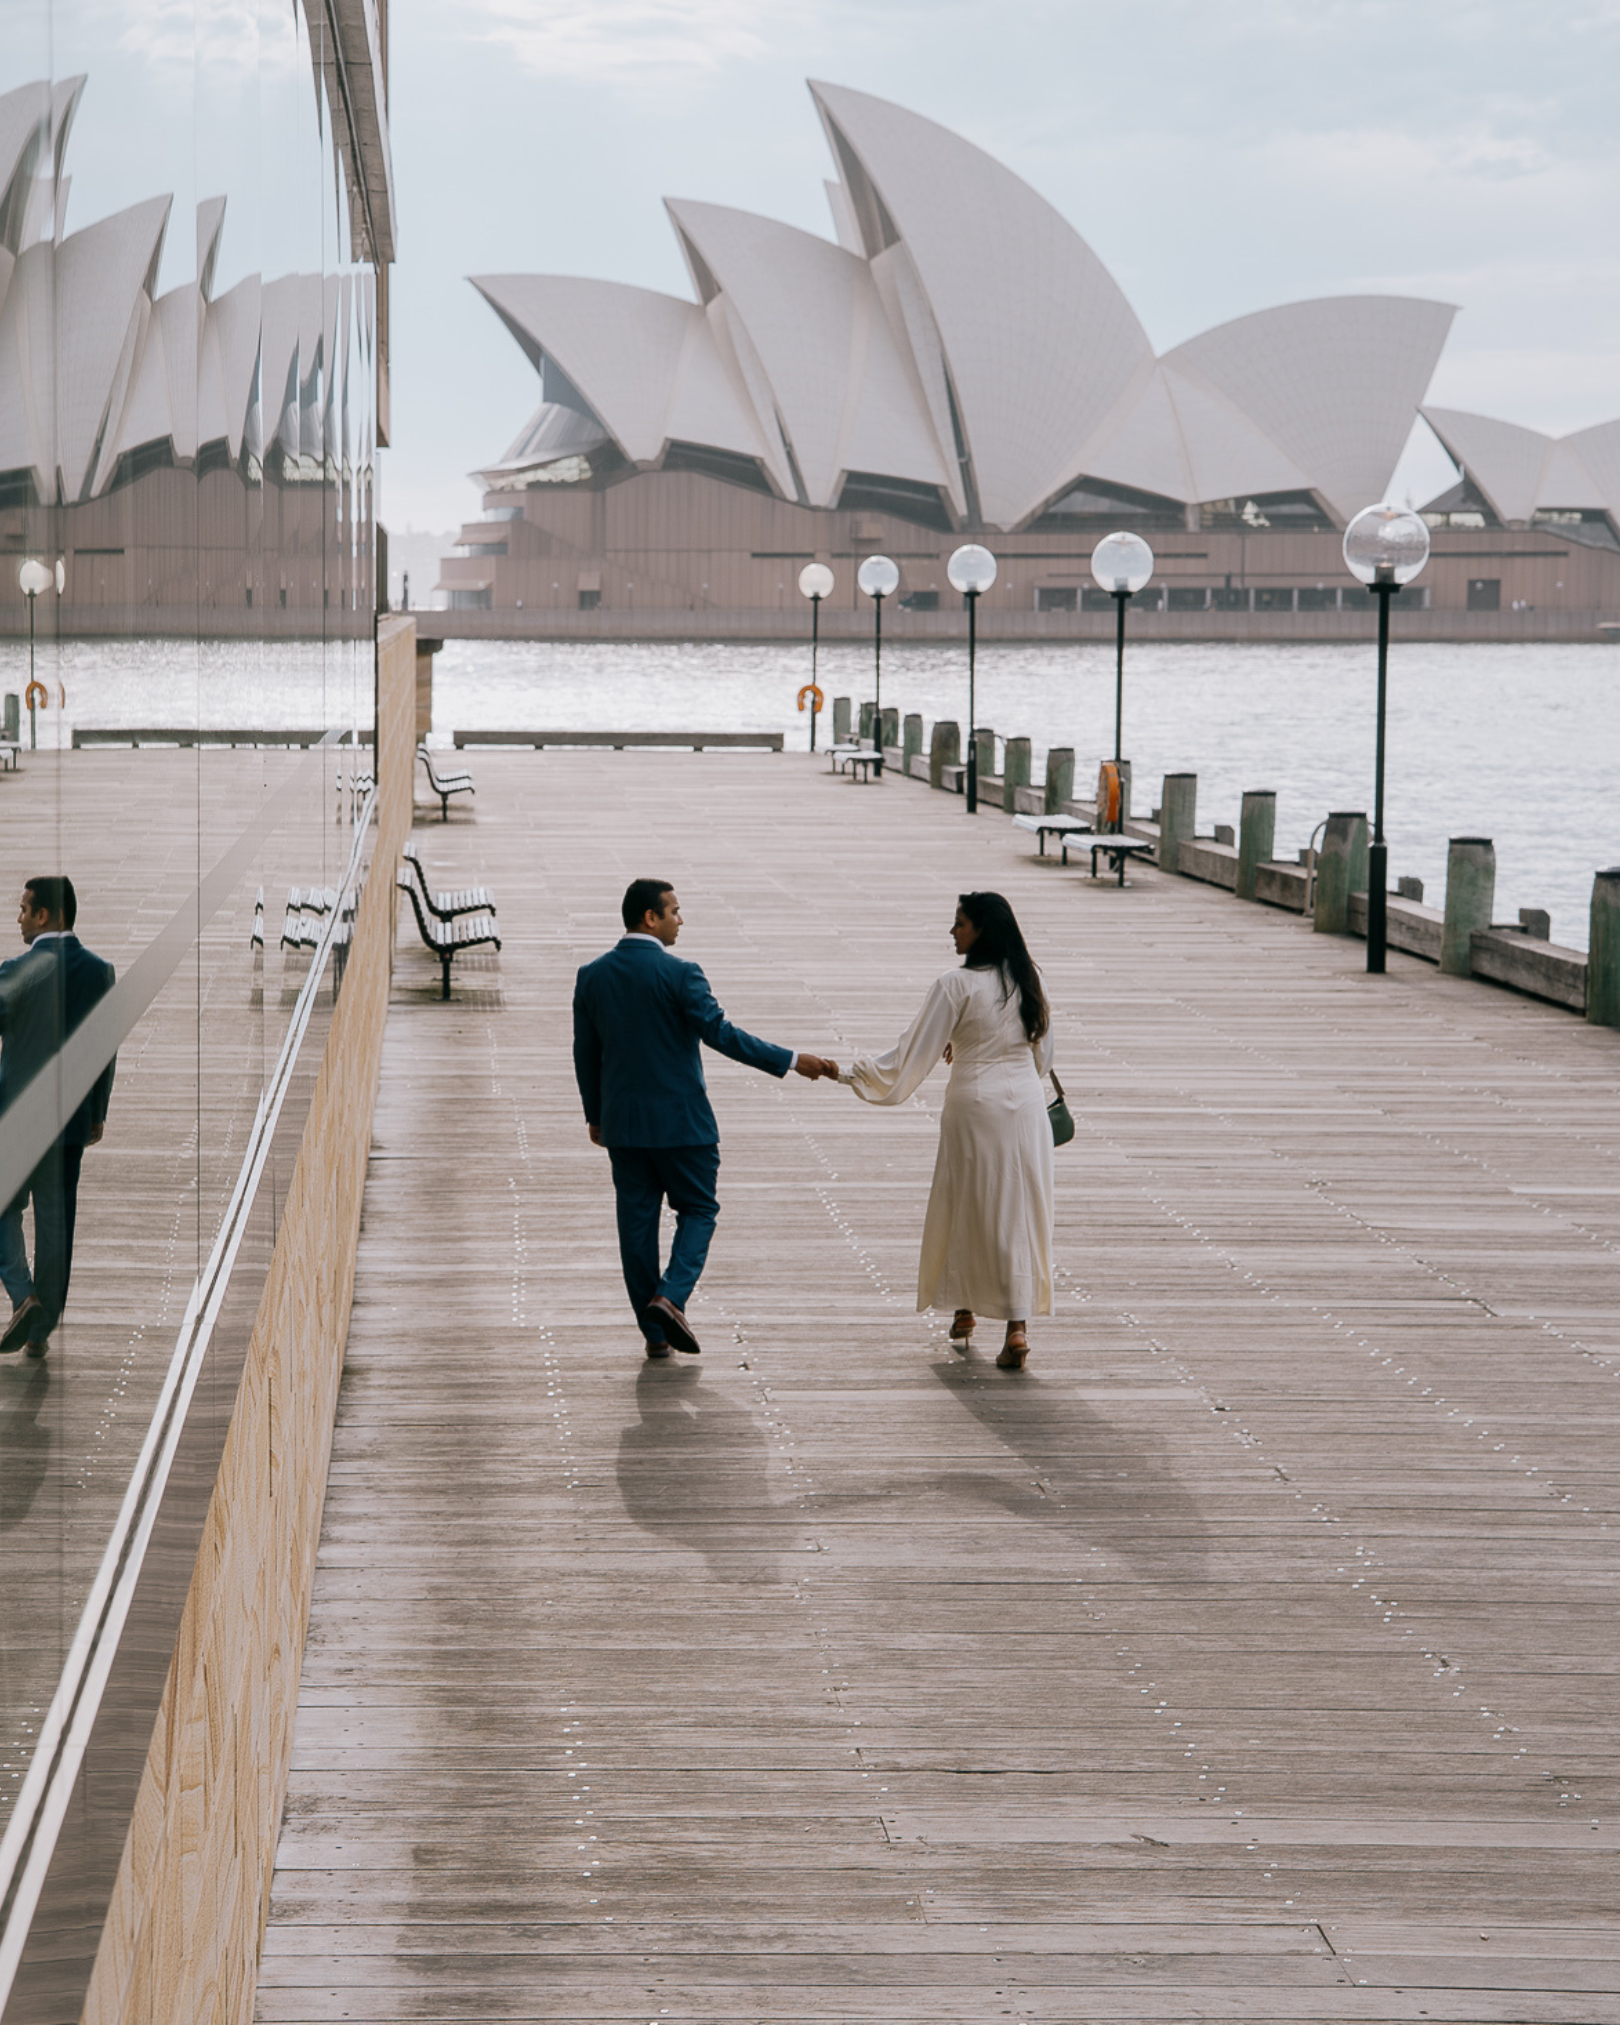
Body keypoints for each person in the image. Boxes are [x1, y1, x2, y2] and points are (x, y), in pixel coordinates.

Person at [573, 878, 838, 1360]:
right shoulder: (681, 974)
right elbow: (722, 1035)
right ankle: (670, 1298)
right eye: (674, 911)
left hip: (624, 1127)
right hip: (683, 1125)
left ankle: (654, 1335)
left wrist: (595, 1114)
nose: (680, 919)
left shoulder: (591, 976)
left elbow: (585, 1054)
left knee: (635, 1228)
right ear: (650, 917)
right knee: (698, 1210)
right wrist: (793, 1059)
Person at [841, 891, 1054, 1370]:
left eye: (959, 923)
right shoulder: (1027, 979)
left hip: (974, 1104)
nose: (952, 931)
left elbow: (914, 1051)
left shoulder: (954, 984)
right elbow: (1043, 1054)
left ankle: (964, 1309)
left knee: (968, 1202)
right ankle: (1016, 1327)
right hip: (1025, 1106)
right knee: (1021, 1208)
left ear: (981, 929)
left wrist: (853, 1073)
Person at [0, 876, 117, 1357]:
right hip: (69, 1121)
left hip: (18, 1117)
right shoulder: (100, 972)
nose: (20, 917)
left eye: (25, 909)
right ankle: (41, 1328)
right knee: (56, 1223)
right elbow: (106, 1050)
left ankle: (22, 1294)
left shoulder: (15, 970)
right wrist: (97, 1112)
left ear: (45, 915)